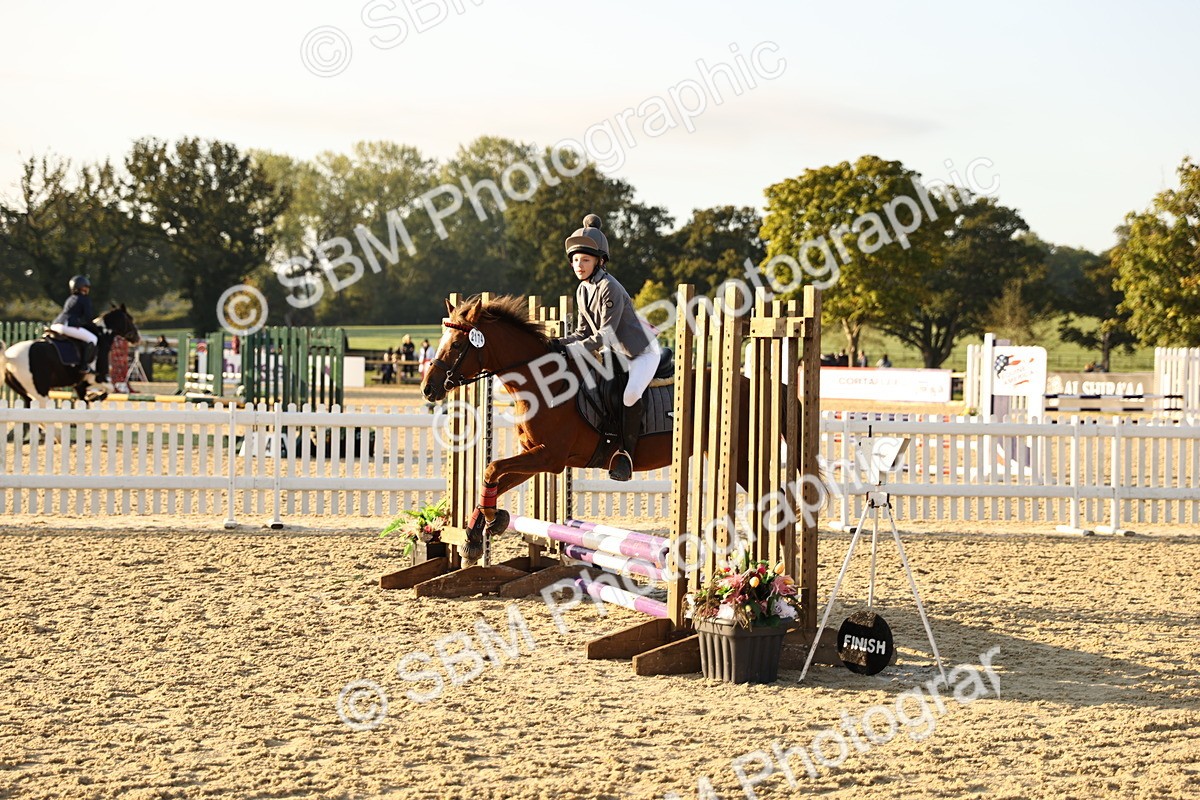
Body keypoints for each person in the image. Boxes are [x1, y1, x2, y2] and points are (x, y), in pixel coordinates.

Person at [551, 214, 658, 482]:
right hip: (615, 354)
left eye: (585, 260)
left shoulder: (608, 287)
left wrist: (572, 350)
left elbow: (606, 334)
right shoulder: (582, 289)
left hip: (641, 353)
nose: (579, 265)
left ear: (599, 260)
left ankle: (626, 455)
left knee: (630, 394)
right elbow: (583, 332)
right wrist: (556, 344)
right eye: (575, 260)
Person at [50, 275, 102, 381]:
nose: (87, 289)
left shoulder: (70, 298)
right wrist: (95, 328)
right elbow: (88, 318)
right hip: (67, 326)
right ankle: (84, 366)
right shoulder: (84, 299)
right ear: (81, 287)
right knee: (93, 339)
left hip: (56, 324)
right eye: (86, 287)